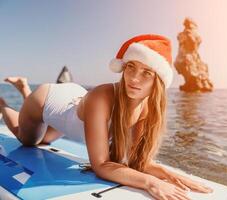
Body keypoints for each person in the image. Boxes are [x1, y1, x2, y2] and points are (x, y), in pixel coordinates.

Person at [0, 34, 213, 200]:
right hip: (46, 100)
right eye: (131, 67)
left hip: (73, 105)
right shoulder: (102, 97)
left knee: (45, 139)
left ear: (158, 81)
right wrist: (150, 183)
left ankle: (23, 88)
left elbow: (136, 161)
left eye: (146, 73)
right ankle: (4, 103)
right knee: (29, 140)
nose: (134, 79)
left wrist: (169, 174)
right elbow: (101, 165)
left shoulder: (148, 108)